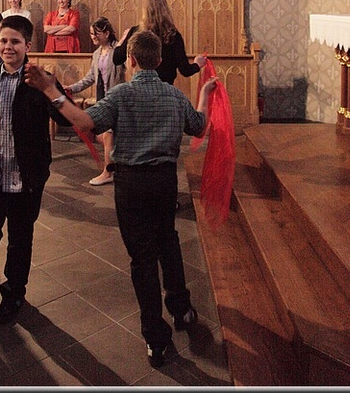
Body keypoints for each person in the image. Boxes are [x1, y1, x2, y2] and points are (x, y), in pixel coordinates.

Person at [25, 29, 217, 367]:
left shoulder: (120, 94)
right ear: (159, 60)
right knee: (168, 241)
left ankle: (155, 339)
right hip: (164, 181)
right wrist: (203, 93)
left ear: (130, 60)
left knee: (142, 259)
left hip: (130, 184)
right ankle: (182, 309)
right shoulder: (174, 95)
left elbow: (84, 122)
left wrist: (50, 90)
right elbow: (199, 126)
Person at [0, 15, 70, 326]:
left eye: (15, 41)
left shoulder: (40, 81)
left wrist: (51, 89)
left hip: (25, 178)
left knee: (19, 239)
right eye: (3, 41)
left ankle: (15, 292)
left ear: (27, 45)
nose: (8, 47)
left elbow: (66, 120)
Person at [65, 17, 126, 185]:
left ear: (107, 33)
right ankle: (115, 168)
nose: (93, 37)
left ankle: (108, 172)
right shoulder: (97, 53)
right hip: (103, 99)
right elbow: (90, 78)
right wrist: (71, 88)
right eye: (91, 33)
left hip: (116, 98)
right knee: (105, 136)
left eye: (96, 33)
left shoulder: (118, 51)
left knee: (108, 135)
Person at [113, 0, 207, 85]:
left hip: (139, 87)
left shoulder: (136, 32)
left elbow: (117, 58)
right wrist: (197, 64)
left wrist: (122, 39)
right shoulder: (173, 36)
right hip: (165, 88)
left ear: (145, 11)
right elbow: (185, 70)